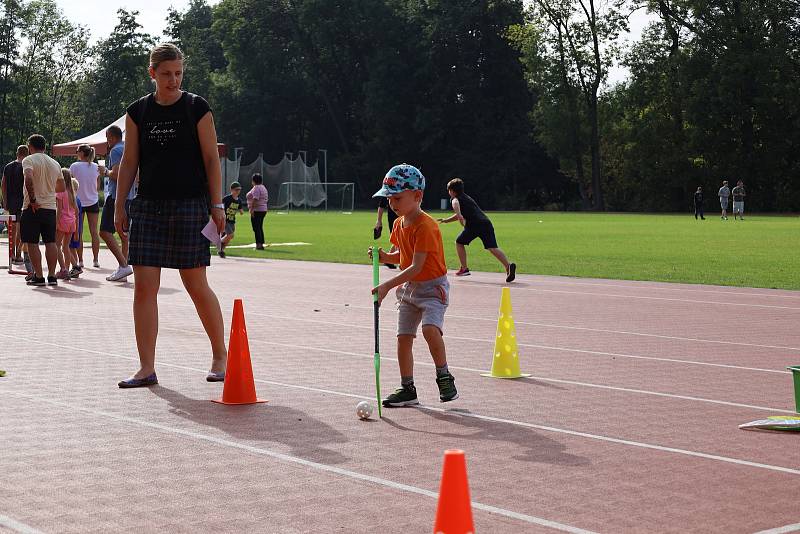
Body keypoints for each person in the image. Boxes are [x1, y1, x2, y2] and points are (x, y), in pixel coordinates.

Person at [114, 42, 228, 387]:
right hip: (148, 206)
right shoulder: (138, 112)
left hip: (190, 205)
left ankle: (220, 355)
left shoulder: (197, 107)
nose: (173, 80)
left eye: (178, 73)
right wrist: (120, 204)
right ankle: (146, 368)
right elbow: (129, 161)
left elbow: (211, 158)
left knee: (196, 284)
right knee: (144, 288)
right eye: (166, 74)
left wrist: (217, 203)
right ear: (152, 73)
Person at [369, 163, 458, 407]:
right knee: (403, 338)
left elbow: (417, 266)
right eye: (389, 200)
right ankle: (407, 388)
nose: (392, 204)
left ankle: (444, 375)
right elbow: (403, 257)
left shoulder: (426, 226)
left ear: (417, 196)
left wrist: (387, 285)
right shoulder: (398, 224)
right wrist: (385, 257)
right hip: (410, 289)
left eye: (397, 198)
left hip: (432, 289)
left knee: (431, 330)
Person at [437, 178, 516, 282]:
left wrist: (459, 215)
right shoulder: (467, 198)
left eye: (449, 190)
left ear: (452, 191)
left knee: (459, 242)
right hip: (486, 223)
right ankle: (508, 266)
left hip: (474, 225)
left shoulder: (455, 199)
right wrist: (448, 220)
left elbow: (456, 205)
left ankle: (464, 268)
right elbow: (459, 214)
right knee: (492, 247)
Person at [20, 134, 61, 287]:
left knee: (32, 242)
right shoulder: (55, 163)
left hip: (32, 207)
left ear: (30, 146)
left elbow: (28, 178)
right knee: (51, 242)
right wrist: (48, 189)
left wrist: (33, 200)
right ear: (44, 146)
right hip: (50, 207)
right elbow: (61, 187)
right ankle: (52, 275)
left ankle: (38, 276)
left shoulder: (29, 160)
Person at [98, 126, 135, 281]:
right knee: (123, 233)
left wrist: (105, 172)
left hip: (116, 196)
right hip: (130, 196)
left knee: (104, 232)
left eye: (107, 138)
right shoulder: (129, 148)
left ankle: (124, 265)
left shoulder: (115, 150)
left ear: (111, 137)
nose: (107, 141)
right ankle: (123, 269)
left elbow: (118, 174)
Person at [69, 144, 101, 268]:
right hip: (93, 201)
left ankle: (80, 260)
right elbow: (98, 186)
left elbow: (71, 183)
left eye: (77, 151)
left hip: (78, 202)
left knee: (78, 232)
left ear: (82, 153)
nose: (76, 153)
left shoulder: (74, 166)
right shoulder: (96, 167)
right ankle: (96, 260)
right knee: (94, 232)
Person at [1, 145, 28, 263]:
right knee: (21, 229)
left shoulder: (8, 166)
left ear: (17, 153)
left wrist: (5, 201)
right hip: (23, 200)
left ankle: (11, 254)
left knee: (12, 229)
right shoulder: (26, 167)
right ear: (27, 154)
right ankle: (18, 254)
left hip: (11, 201)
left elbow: (3, 185)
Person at [54, 169, 79, 280]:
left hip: (62, 221)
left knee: (56, 245)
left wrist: (55, 223)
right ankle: (71, 267)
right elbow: (77, 211)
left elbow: (59, 210)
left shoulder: (60, 192)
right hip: (71, 222)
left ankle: (63, 269)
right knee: (66, 247)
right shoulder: (71, 192)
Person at [220, 181, 244, 258]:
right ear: (232, 190)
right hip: (225, 220)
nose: (238, 191)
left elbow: (241, 210)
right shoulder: (227, 199)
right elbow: (220, 206)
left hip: (232, 221)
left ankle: (222, 250)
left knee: (230, 237)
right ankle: (219, 242)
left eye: (239, 190)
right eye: (236, 190)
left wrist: (241, 211)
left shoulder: (239, 200)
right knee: (230, 235)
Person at [374, 195, 397, 269]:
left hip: (405, 217)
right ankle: (392, 260)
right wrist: (379, 221)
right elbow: (381, 206)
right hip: (393, 219)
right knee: (398, 240)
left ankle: (388, 260)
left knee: (398, 241)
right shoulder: (388, 190)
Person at [246, 173, 268, 250]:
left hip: (257, 210)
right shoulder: (263, 187)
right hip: (263, 210)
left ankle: (259, 245)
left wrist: (251, 209)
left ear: (253, 180)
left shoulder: (256, 188)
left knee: (256, 227)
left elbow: (255, 199)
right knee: (259, 227)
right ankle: (261, 243)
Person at [68, 177, 83, 278]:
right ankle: (73, 268)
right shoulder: (76, 199)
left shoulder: (75, 200)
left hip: (74, 228)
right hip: (75, 227)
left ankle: (75, 267)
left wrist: (77, 231)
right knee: (71, 248)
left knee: (71, 248)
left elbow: (77, 216)